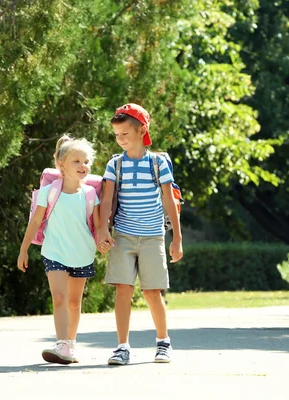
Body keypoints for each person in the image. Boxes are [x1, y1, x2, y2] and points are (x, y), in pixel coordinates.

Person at [97, 103, 183, 365]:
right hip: (123, 235)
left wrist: (176, 238)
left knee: (151, 292)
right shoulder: (115, 164)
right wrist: (102, 229)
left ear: (141, 130)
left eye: (125, 134)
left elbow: (169, 201)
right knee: (123, 290)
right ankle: (122, 347)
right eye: (116, 135)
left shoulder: (158, 163)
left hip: (153, 236)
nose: (120, 139)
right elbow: (106, 198)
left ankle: (163, 342)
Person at [17, 135, 101, 364]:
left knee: (74, 302)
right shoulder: (49, 192)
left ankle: (70, 346)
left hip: (82, 253)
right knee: (60, 297)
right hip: (54, 252)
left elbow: (98, 225)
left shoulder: (91, 194)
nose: (83, 166)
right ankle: (62, 343)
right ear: (61, 164)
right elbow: (34, 223)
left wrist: (105, 240)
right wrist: (23, 250)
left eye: (86, 161)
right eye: (76, 161)